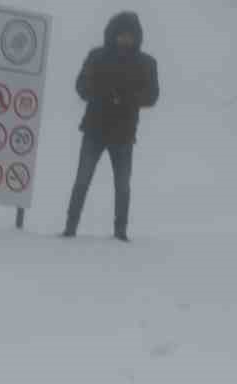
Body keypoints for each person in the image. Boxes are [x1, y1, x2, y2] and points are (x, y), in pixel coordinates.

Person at [62, 11, 160, 241]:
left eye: (130, 35)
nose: (125, 39)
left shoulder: (146, 62)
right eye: (121, 34)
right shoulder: (96, 56)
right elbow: (81, 85)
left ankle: (120, 233)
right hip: (94, 129)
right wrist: (103, 94)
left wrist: (127, 98)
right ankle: (70, 228)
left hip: (124, 134)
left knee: (122, 186)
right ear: (112, 34)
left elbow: (153, 95)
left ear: (137, 37)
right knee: (82, 181)